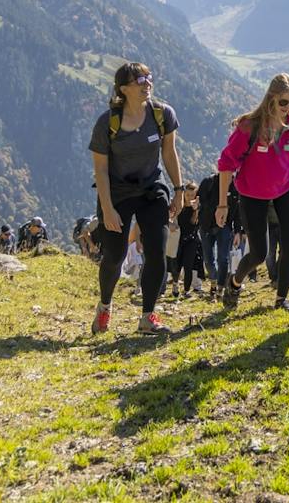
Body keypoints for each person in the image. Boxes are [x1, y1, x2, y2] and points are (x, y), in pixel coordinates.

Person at [87, 62, 184, 335]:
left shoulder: (163, 114)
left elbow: (169, 154)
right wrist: (107, 208)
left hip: (151, 189)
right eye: (139, 79)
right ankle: (105, 306)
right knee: (115, 256)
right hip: (117, 192)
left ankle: (147, 316)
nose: (147, 83)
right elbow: (101, 169)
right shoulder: (108, 123)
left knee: (156, 250)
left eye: (148, 77)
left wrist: (178, 190)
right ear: (123, 88)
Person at [216, 73, 289, 312]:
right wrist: (222, 204)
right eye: (284, 102)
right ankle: (235, 282)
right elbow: (226, 164)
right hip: (252, 193)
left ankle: (282, 299)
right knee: (259, 253)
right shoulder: (250, 127)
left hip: (287, 188)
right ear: (271, 99)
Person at [198, 171, 233, 298]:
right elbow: (198, 199)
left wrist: (240, 230)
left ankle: (220, 287)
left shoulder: (235, 184)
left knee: (223, 258)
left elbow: (239, 207)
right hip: (206, 225)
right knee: (208, 259)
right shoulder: (209, 182)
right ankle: (214, 280)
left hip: (225, 226)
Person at [170, 183, 201, 298]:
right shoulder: (179, 206)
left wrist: (196, 210)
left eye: (192, 195)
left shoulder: (197, 207)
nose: (190, 197)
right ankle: (175, 284)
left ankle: (186, 290)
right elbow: (171, 218)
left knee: (188, 265)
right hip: (178, 239)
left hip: (191, 239)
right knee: (176, 265)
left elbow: (194, 223)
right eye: (187, 194)